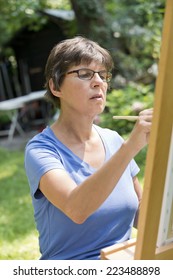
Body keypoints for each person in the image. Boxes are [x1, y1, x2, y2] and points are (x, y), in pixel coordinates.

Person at [24, 36, 153, 260]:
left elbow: (142, 216)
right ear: (55, 86)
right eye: (84, 74)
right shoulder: (40, 150)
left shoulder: (113, 140)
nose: (98, 82)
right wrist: (131, 147)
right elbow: (77, 209)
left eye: (103, 75)